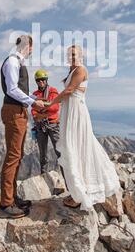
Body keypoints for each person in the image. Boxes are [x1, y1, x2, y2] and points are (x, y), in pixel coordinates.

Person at [42, 45, 120, 211]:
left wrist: (50, 103)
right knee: (74, 148)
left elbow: (69, 90)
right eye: (69, 55)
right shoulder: (73, 70)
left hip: (76, 113)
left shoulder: (81, 70)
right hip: (71, 112)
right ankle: (78, 190)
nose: (71, 57)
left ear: (81, 56)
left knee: (75, 147)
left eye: (74, 54)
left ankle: (80, 194)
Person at [0, 34, 46, 219]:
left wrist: (34, 99)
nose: (32, 51)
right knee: (13, 155)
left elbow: (19, 90)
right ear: (29, 46)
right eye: (32, 48)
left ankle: (12, 197)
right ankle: (5, 204)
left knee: (17, 155)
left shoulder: (17, 62)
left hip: (19, 110)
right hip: (13, 111)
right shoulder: (12, 62)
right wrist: (33, 103)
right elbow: (12, 89)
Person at [31, 69, 62, 175]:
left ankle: (68, 180)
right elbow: (33, 110)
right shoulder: (35, 94)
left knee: (60, 152)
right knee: (42, 155)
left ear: (46, 80)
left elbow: (55, 108)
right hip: (41, 126)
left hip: (52, 125)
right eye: (38, 80)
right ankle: (44, 177)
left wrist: (40, 114)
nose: (41, 82)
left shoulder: (53, 91)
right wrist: (42, 111)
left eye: (43, 80)